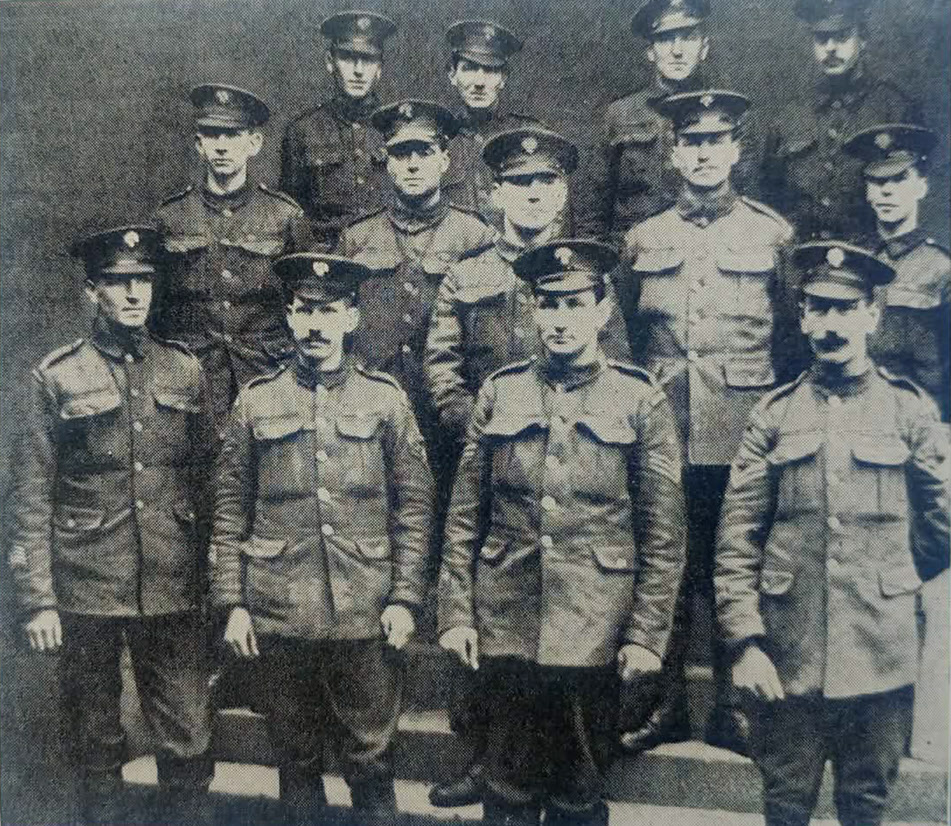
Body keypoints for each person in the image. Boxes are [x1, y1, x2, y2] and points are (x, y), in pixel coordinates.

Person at [438, 239, 687, 826]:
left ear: (603, 311)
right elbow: (465, 516)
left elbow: (663, 535)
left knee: (578, 794)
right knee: (507, 792)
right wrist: (455, 613)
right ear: (533, 309)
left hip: (594, 625)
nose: (560, 319)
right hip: (507, 619)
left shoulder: (639, 398)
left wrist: (646, 635)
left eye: (575, 304)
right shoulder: (500, 391)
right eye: (549, 304)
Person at [424, 126, 632, 808]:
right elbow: (442, 366)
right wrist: (483, 431)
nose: (533, 194)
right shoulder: (468, 274)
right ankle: (480, 756)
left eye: (545, 183)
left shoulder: (590, 278)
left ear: (564, 193)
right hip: (489, 463)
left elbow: (619, 372)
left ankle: (559, 765)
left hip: (574, 473)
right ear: (495, 194)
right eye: (519, 183)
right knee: (486, 613)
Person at [714, 240, 950, 826]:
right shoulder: (773, 415)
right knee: (785, 803)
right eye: (818, 309)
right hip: (788, 653)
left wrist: (887, 578)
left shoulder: (909, 412)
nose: (831, 324)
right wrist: (746, 643)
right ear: (802, 318)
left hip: (880, 651)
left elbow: (941, 527)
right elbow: (738, 539)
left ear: (873, 315)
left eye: (846, 309)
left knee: (866, 805)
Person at [210, 252, 434, 825]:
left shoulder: (385, 399)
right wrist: (233, 604)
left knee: (371, 758)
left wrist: (405, 599)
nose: (315, 325)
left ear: (352, 318)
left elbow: (414, 507)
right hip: (280, 610)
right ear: (289, 317)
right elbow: (230, 511)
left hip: (366, 610)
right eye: (305, 311)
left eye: (329, 311)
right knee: (296, 758)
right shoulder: (256, 401)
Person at [6, 226, 214, 826]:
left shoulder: (184, 370)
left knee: (188, 738)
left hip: (172, 583)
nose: (133, 294)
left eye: (143, 281)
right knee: (95, 739)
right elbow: (31, 495)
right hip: (86, 584)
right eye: (119, 283)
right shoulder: (57, 376)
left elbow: (209, 481)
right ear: (92, 292)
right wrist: (39, 600)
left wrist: (216, 581)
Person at [619, 90, 799, 756]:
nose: (702, 153)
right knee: (663, 561)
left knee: (735, 563)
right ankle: (663, 704)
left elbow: (792, 339)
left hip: (740, 430)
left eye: (715, 141)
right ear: (673, 153)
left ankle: (733, 707)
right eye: (690, 142)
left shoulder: (771, 235)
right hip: (664, 427)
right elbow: (626, 334)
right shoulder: (644, 239)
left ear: (735, 150)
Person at [843, 123, 950, 765]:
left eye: (899, 181)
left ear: (922, 186)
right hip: (859, 434)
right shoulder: (855, 263)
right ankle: (867, 710)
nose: (886, 193)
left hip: (922, 437)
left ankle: (921, 722)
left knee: (919, 568)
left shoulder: (940, 269)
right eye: (876, 183)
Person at [335, 99, 495, 489]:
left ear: (444, 160)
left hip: (447, 413)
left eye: (423, 152)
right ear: (387, 163)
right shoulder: (357, 238)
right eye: (401, 154)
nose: (412, 164)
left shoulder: (475, 235)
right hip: (373, 411)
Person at [151, 83, 310, 430]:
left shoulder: (285, 217)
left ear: (254, 143)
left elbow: (304, 306)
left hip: (266, 375)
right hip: (192, 379)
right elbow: (155, 312)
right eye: (212, 134)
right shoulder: (171, 218)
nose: (222, 146)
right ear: (199, 144)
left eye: (233, 135)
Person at [760, 0, 918, 241]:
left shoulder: (894, 108)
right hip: (803, 253)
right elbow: (770, 192)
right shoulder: (791, 114)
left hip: (871, 252)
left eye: (842, 37)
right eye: (821, 39)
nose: (831, 48)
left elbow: (910, 193)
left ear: (863, 39)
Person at [584, 0, 715, 245]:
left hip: (703, 249)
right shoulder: (620, 115)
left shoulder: (726, 113)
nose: (677, 51)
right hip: (635, 252)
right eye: (665, 39)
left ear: (704, 48)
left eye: (688, 38)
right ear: (651, 52)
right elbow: (593, 206)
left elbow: (744, 200)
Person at [281, 11, 398, 246]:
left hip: (386, 255)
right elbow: (291, 215)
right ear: (330, 62)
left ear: (379, 67)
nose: (358, 70)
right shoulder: (303, 131)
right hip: (325, 260)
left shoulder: (396, 129)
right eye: (347, 58)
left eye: (368, 60)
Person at [442, 20, 540, 227]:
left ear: (503, 78)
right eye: (469, 68)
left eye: (490, 70)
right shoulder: (438, 140)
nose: (479, 82)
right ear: (452, 74)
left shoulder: (528, 135)